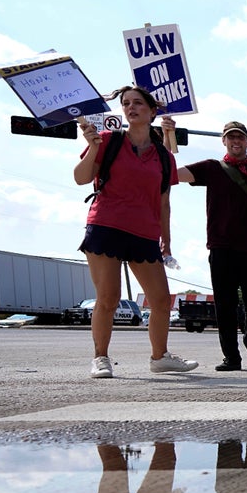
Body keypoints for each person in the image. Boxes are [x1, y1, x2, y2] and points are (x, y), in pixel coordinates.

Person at [74, 86, 197, 378]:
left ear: (152, 111)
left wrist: (166, 240)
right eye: (126, 103)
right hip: (106, 226)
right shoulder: (107, 140)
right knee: (109, 298)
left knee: (161, 300)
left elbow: (164, 202)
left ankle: (160, 357)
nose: (130, 107)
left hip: (144, 232)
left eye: (138, 103)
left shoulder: (165, 157)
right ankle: (100, 358)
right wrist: (92, 148)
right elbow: (80, 178)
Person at [164, 118, 247, 372]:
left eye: (240, 137)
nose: (236, 141)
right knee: (225, 305)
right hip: (221, 247)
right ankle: (231, 357)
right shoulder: (211, 168)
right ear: (224, 141)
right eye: (231, 137)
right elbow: (170, 174)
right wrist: (169, 137)